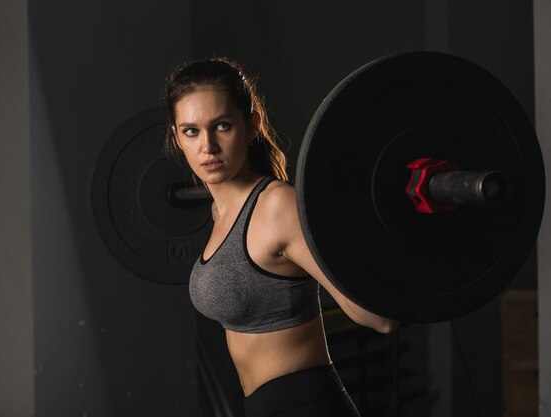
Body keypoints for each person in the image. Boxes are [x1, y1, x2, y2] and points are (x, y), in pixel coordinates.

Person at [163, 57, 398, 417]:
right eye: (191, 131)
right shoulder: (219, 212)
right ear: (177, 137)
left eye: (222, 126)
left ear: (252, 124)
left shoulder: (277, 207)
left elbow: (377, 318)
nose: (207, 146)